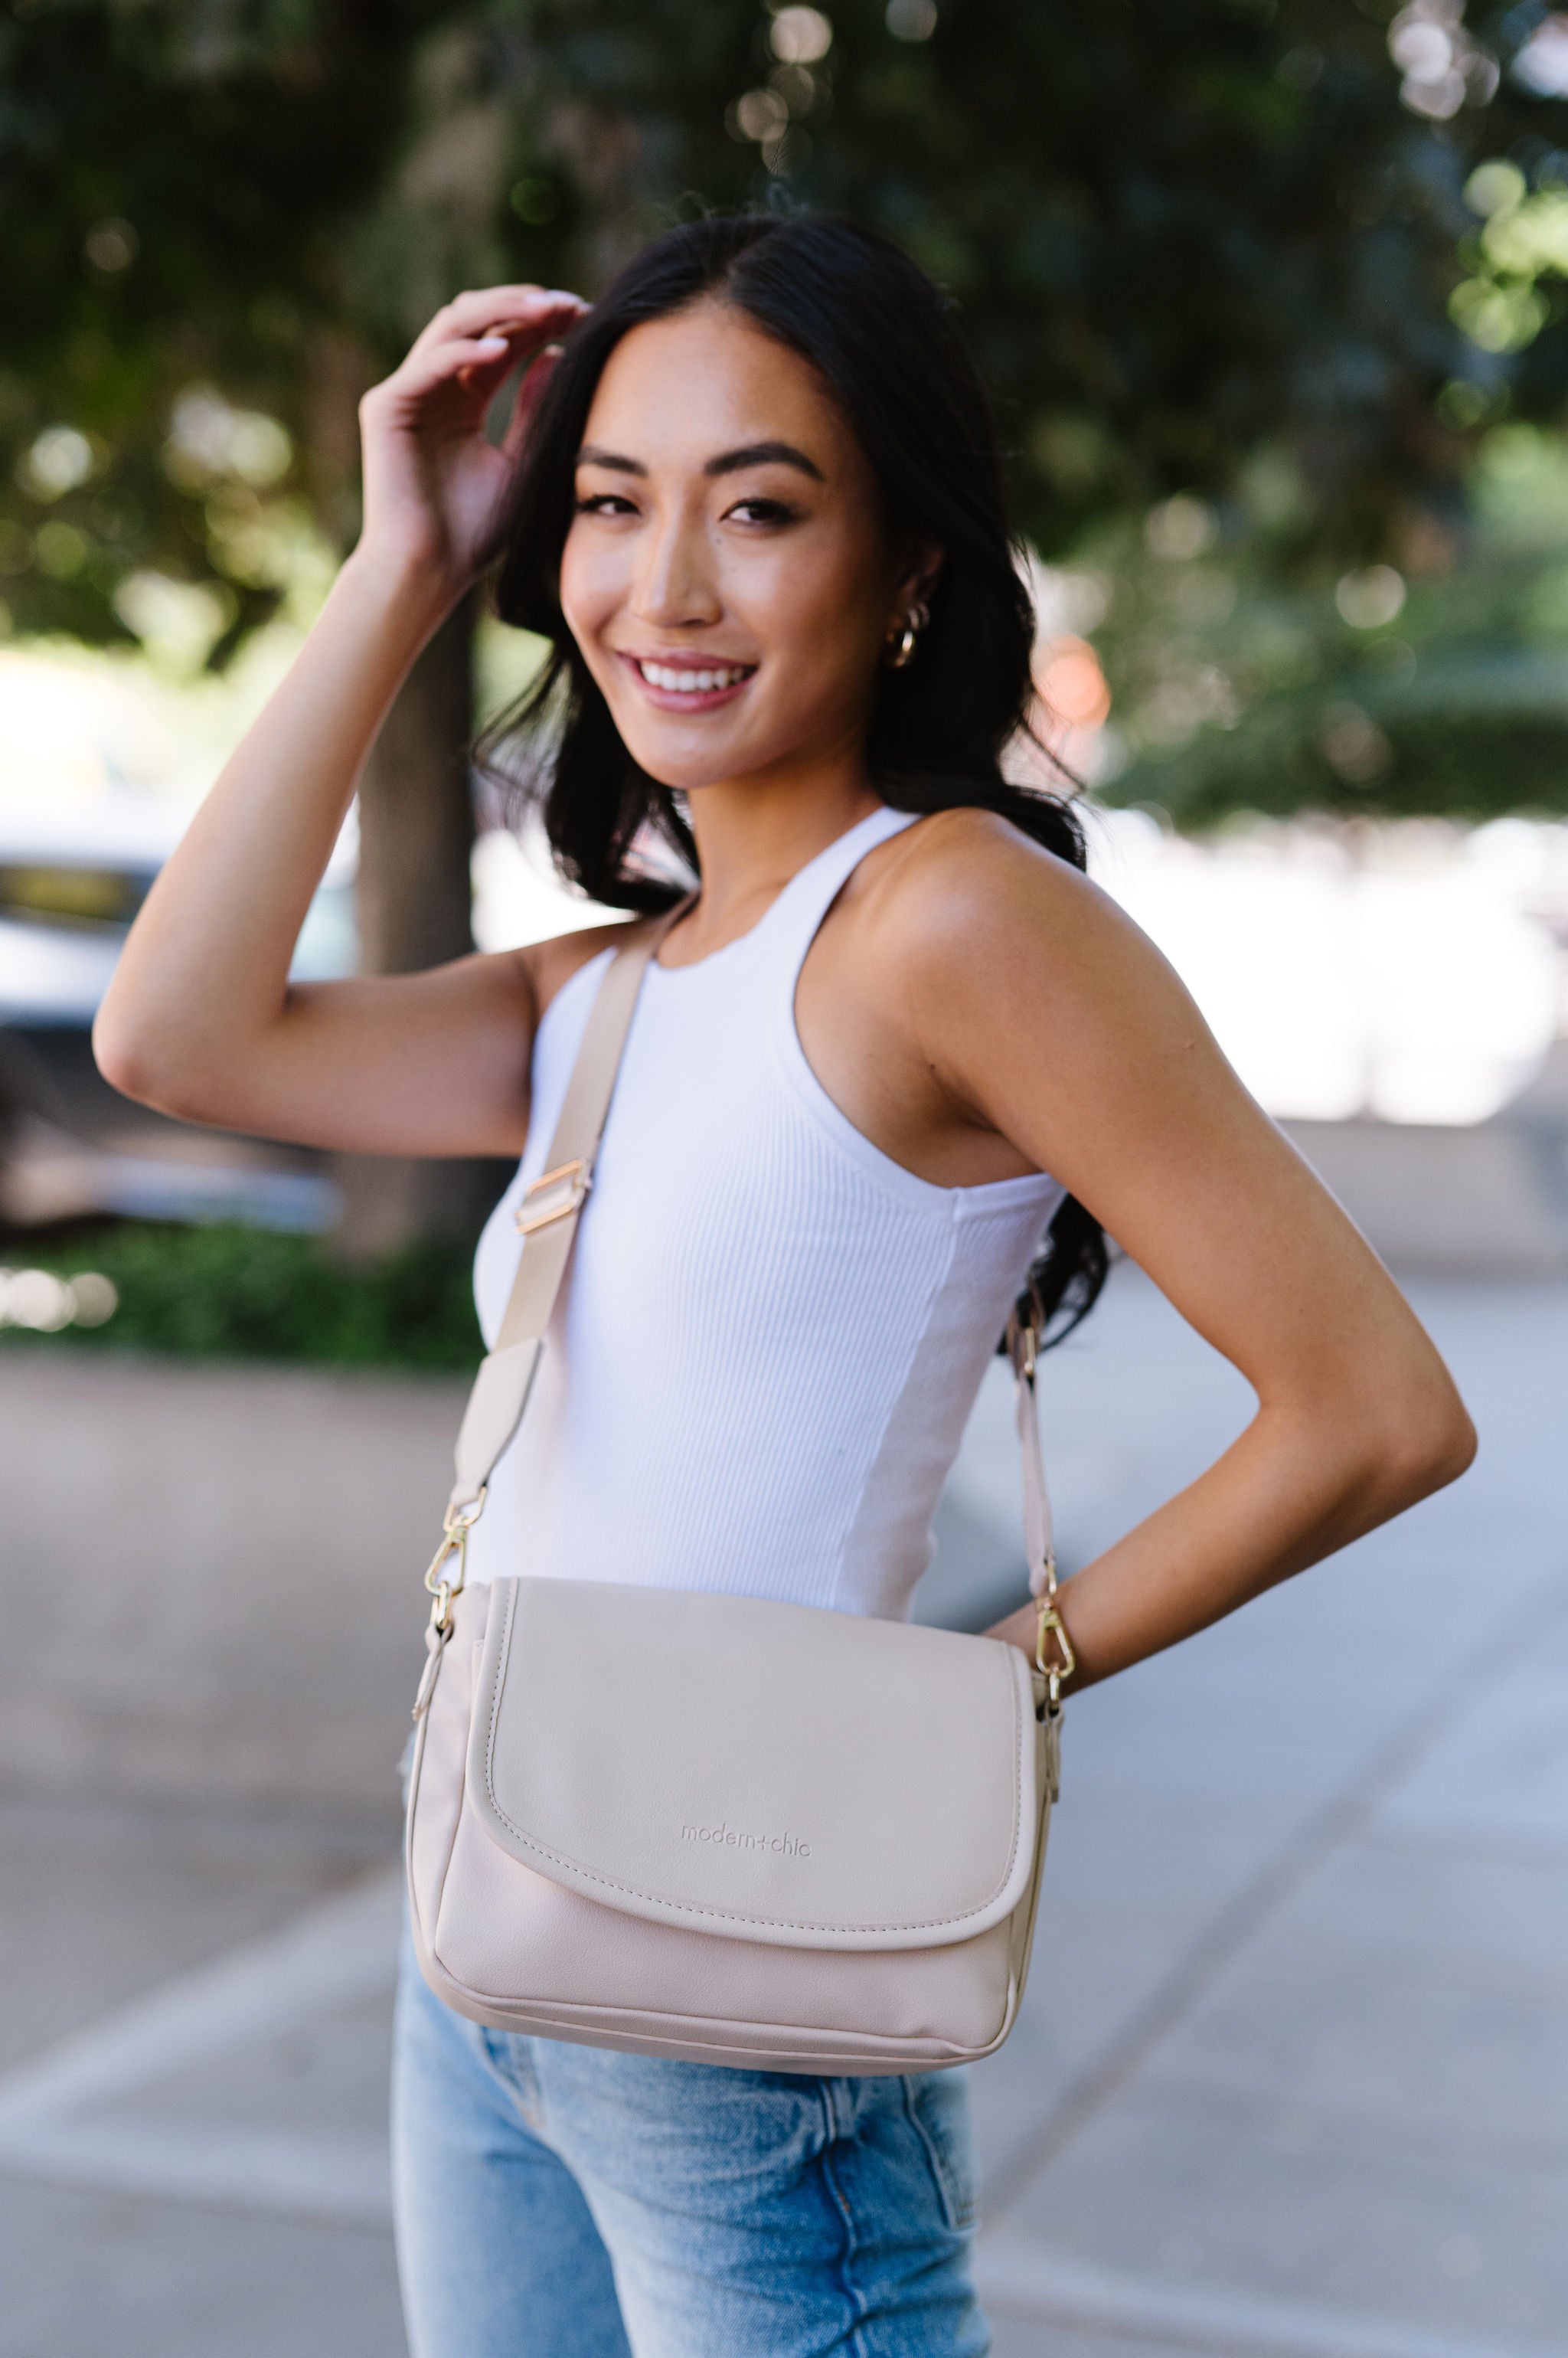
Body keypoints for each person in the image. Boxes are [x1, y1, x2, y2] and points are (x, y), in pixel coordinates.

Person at [95, 212, 1475, 2358]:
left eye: (761, 508)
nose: (670, 588)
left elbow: (1375, 1406)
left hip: (751, 1989)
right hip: (487, 1938)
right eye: (610, 509)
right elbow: (177, 1042)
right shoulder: (621, 980)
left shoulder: (950, 927)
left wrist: (994, 1679)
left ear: (910, 561)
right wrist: (400, 569)